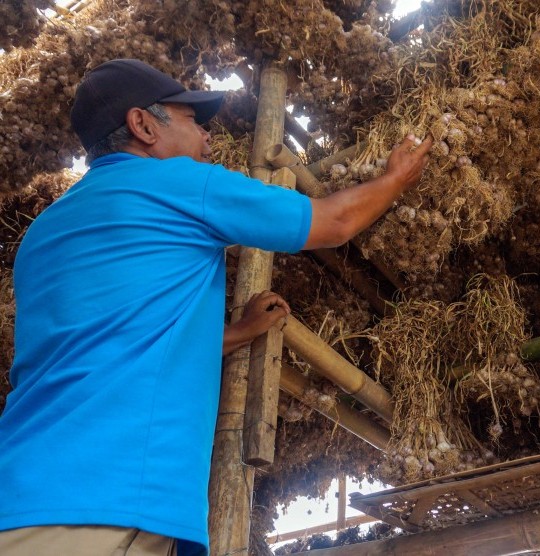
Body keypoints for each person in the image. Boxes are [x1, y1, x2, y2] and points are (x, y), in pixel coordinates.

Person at [0, 58, 433, 556]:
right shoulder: (179, 183)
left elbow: (114, 341)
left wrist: (237, 334)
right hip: (104, 502)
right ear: (143, 126)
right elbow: (331, 223)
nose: (207, 138)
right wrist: (395, 180)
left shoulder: (43, 234)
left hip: (20, 496)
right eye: (192, 121)